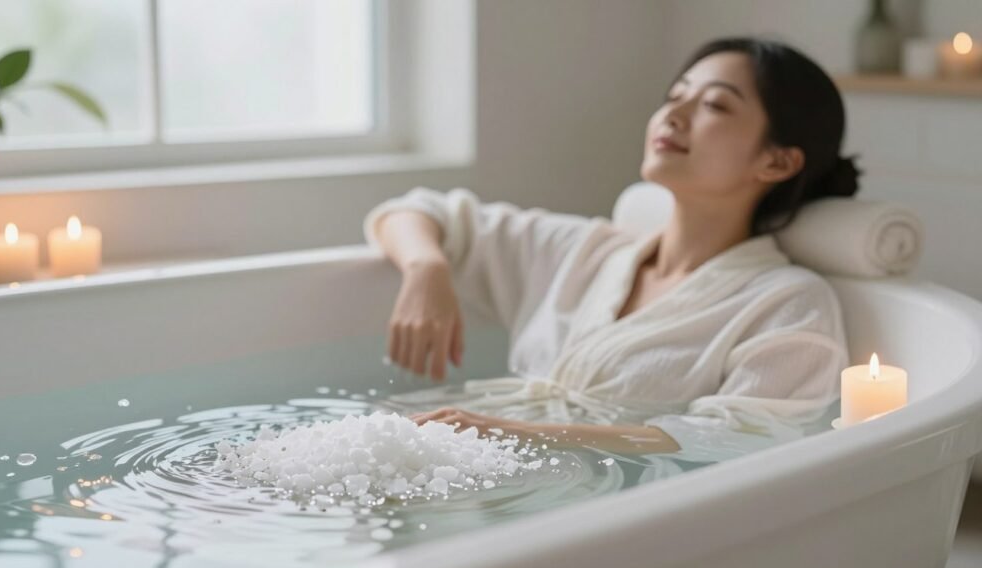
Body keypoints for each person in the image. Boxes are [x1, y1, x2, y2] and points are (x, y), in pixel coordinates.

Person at [362, 37, 860, 456]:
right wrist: (427, 269)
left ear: (776, 163)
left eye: (713, 104)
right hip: (475, 470)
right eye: (675, 94)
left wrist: (515, 434)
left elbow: (739, 441)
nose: (673, 113)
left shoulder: (786, 303)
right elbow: (416, 211)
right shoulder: (586, 250)